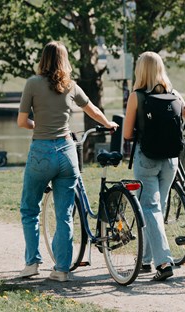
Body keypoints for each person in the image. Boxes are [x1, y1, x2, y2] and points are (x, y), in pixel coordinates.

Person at [17, 41, 118, 282]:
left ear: (43, 59)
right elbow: (93, 110)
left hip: (41, 151)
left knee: (30, 208)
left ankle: (32, 263)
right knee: (64, 214)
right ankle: (62, 269)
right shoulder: (71, 86)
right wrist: (108, 124)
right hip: (66, 152)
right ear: (64, 61)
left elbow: (22, 122)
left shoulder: (32, 83)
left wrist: (37, 125)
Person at [123, 51, 185, 281]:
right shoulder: (174, 94)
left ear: (140, 71)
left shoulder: (137, 96)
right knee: (157, 209)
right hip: (171, 161)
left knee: (151, 209)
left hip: (147, 160)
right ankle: (145, 260)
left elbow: (126, 134)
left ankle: (163, 263)